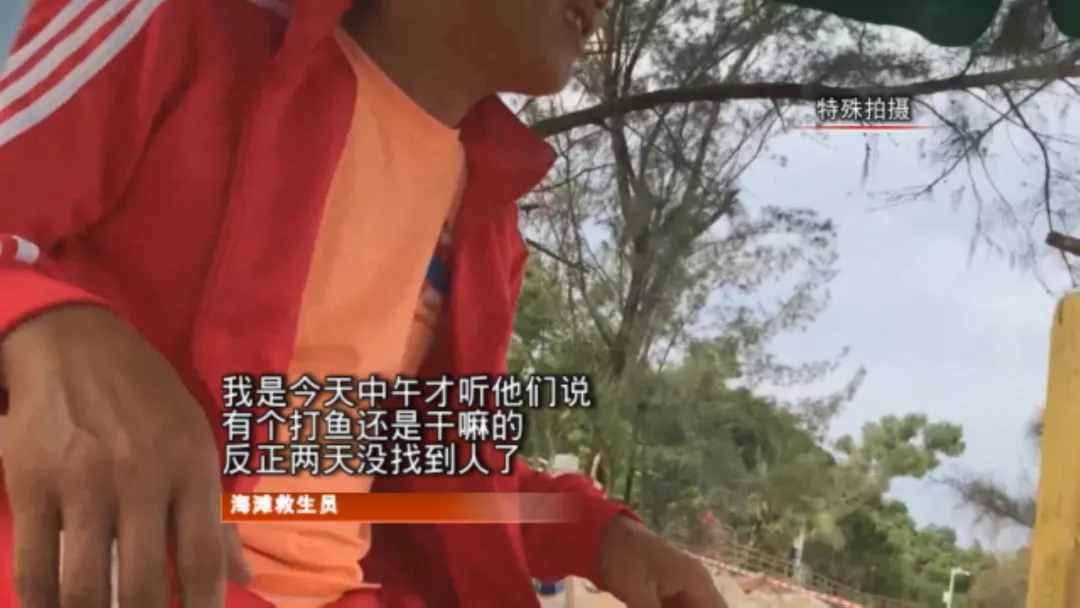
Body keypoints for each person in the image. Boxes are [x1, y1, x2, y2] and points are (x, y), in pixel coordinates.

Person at [0, 0, 728, 607]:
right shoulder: (185, 27)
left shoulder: (487, 217)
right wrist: (49, 319)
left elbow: (428, 455)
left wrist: (597, 534)